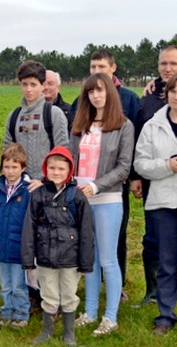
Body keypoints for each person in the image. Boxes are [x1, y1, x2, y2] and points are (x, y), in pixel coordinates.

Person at [69, 50, 139, 299]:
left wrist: (97, 186)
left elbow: (123, 166)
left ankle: (111, 311)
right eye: (91, 91)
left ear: (109, 91)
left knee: (108, 257)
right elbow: (72, 159)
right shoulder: (80, 124)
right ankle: (89, 309)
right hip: (82, 198)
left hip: (107, 197)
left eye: (101, 90)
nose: (96, 95)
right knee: (90, 255)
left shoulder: (123, 125)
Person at [134, 71, 177, 336]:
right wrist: (167, 165)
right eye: (173, 91)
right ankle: (165, 315)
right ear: (167, 94)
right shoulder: (152, 125)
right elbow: (140, 163)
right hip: (162, 203)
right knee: (167, 263)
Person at [3, 60, 70, 312]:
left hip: (49, 191)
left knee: (49, 245)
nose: (29, 89)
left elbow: (64, 151)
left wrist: (45, 179)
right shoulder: (13, 117)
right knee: (27, 245)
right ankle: (33, 295)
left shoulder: (53, 114)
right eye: (24, 84)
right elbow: (8, 151)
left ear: (43, 85)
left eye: (33, 84)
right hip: (22, 192)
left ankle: (56, 297)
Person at [130, 46, 177, 307]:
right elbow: (138, 141)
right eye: (163, 63)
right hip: (155, 180)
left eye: (173, 63)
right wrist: (135, 176)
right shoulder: (149, 100)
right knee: (152, 237)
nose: (168, 68)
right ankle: (153, 293)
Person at [22, 146, 94, 345]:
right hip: (45, 257)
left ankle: (69, 333)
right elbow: (29, 227)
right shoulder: (38, 195)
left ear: (69, 171)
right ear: (46, 169)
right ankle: (47, 331)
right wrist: (28, 259)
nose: (56, 172)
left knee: (69, 294)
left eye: (61, 169)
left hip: (70, 258)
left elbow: (87, 231)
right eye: (52, 168)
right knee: (49, 294)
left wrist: (86, 261)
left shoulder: (77, 197)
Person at [0, 143, 31, 330]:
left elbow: (32, 223)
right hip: (1, 246)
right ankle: (6, 312)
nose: (10, 171)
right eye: (7, 167)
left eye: (15, 167)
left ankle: (21, 314)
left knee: (19, 284)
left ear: (23, 168)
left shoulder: (27, 192)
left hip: (19, 248)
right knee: (5, 284)